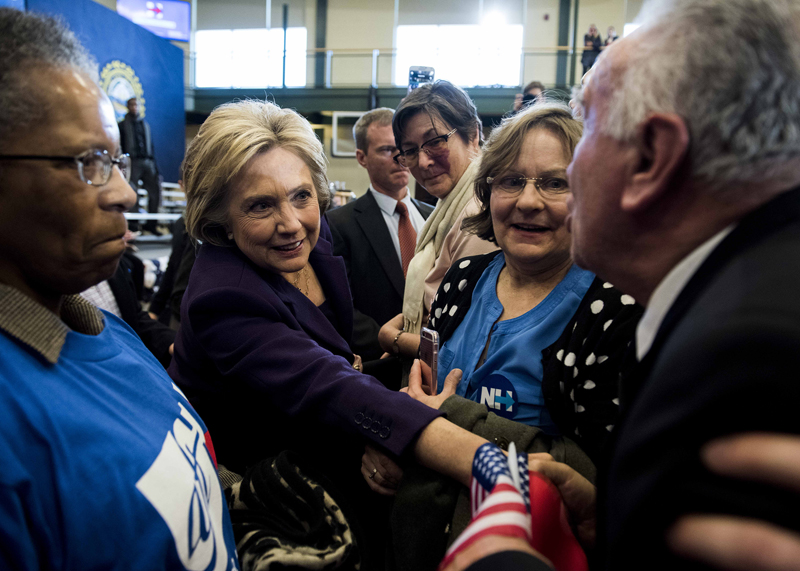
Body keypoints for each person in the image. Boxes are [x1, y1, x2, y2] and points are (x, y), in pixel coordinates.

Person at [490, 0, 800, 569]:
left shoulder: (748, 354)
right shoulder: (745, 290)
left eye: (587, 132)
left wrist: (502, 560)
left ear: (653, 157)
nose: (568, 177)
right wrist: (614, 514)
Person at [167, 99, 496, 560]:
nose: (291, 223)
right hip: (271, 495)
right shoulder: (223, 295)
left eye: (301, 196)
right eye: (260, 205)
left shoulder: (311, 237)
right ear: (218, 215)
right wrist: (498, 468)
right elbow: (327, 385)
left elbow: (341, 362)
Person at [0, 8, 238, 569]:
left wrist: (237, 498)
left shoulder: (105, 328)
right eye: (90, 162)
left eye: (116, 159)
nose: (126, 194)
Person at [389, 103, 642, 571]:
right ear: (488, 195)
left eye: (554, 182)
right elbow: (419, 391)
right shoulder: (463, 278)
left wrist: (431, 428)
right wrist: (390, 438)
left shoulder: (613, 307)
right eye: (510, 181)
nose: (528, 201)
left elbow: (602, 477)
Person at [377, 80, 497, 369]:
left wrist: (393, 339)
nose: (423, 162)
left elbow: (467, 341)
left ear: (473, 135)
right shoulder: (448, 206)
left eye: (435, 142)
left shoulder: (477, 213)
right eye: (410, 150)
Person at [326, 108, 433, 362]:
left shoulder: (435, 216)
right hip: (382, 364)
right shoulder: (339, 224)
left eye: (405, 148)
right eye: (387, 150)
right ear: (362, 158)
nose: (401, 158)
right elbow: (342, 307)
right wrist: (396, 345)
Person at [119, 96, 161, 233]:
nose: (134, 107)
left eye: (136, 105)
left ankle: (152, 225)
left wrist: (154, 165)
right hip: (132, 162)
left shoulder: (145, 125)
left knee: (155, 192)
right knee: (133, 193)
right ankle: (133, 225)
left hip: (148, 162)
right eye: (132, 105)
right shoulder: (122, 125)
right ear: (127, 106)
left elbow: (152, 146)